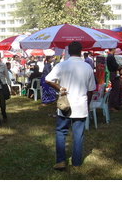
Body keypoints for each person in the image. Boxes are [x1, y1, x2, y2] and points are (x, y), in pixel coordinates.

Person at [45, 41, 96, 170]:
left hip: (64, 105)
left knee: (61, 132)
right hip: (81, 105)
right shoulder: (87, 67)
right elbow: (91, 89)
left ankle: (61, 161)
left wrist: (59, 87)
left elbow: (48, 79)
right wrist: (88, 104)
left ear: (68, 51)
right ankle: (76, 162)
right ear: (81, 51)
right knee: (78, 135)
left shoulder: (62, 65)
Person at [106, 48, 122, 112]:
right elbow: (116, 66)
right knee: (115, 90)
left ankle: (116, 104)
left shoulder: (110, 56)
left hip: (113, 73)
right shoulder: (111, 57)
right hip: (113, 74)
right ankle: (112, 106)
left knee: (117, 89)